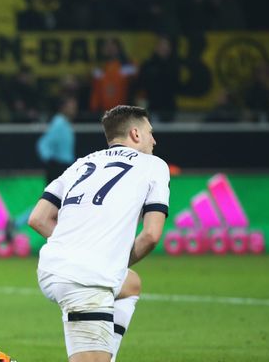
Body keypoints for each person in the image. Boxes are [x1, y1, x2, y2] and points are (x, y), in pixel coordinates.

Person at [28, 105, 169, 362]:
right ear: (136, 134)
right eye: (150, 132)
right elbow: (151, 235)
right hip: (85, 280)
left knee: (130, 283)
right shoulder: (153, 165)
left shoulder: (82, 163)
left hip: (51, 266)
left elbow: (38, 218)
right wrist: (105, 259)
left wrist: (79, 249)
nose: (154, 140)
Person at [36, 95, 77, 187]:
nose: (74, 109)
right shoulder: (59, 123)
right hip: (58, 168)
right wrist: (51, 161)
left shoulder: (65, 123)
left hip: (64, 167)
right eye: (71, 107)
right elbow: (43, 143)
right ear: (63, 107)